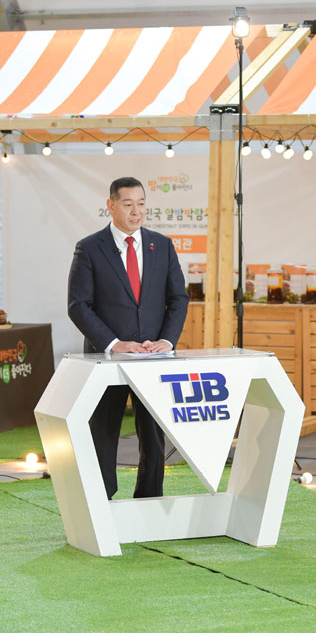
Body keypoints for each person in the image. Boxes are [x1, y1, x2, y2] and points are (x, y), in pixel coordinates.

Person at [68, 176, 189, 499]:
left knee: (152, 433)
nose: (137, 211)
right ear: (111, 206)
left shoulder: (162, 245)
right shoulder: (89, 248)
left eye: (141, 203)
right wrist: (113, 344)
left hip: (152, 356)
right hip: (106, 356)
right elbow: (78, 305)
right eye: (128, 204)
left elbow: (178, 299)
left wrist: (167, 341)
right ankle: (101, 498)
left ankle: (149, 497)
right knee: (103, 431)